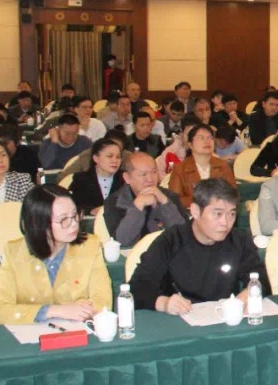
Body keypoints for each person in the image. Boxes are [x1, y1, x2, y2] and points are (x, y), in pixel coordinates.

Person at [130, 179, 269, 312]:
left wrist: (250, 292)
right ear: (195, 211)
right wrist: (164, 303)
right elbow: (137, 288)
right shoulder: (171, 240)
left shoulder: (239, 240)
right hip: (180, 318)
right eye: (217, 214)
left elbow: (262, 280)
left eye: (231, 214)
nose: (225, 222)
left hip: (224, 317)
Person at [0, 184, 113, 325]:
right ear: (39, 223)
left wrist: (81, 310)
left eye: (75, 214)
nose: (73, 224)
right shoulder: (14, 252)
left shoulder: (90, 246)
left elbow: (103, 303)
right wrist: (53, 310)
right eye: (63, 219)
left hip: (76, 332)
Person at [102, 152, 188, 248]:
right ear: (127, 178)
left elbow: (184, 236)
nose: (150, 179)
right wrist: (137, 207)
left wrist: (165, 203)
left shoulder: (169, 196)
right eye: (143, 174)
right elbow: (122, 242)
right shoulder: (115, 202)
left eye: (154, 172)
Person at [169, 124, 238, 208]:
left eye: (210, 138)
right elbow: (175, 201)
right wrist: (204, 200)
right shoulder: (179, 169)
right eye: (201, 138)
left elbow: (233, 195)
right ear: (190, 145)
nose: (207, 141)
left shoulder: (223, 166)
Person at [68, 137, 124, 215]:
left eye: (118, 157)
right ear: (96, 158)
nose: (115, 161)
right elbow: (73, 205)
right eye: (109, 156)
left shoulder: (125, 180)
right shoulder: (81, 180)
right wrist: (91, 210)